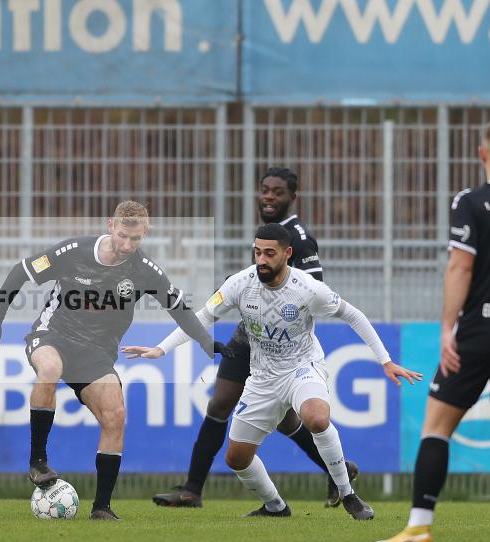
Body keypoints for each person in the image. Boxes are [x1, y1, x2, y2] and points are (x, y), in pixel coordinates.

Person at [125, 223, 422, 519]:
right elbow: (201, 317)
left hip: (301, 368)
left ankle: (348, 495)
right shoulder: (240, 284)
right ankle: (275, 506)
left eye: (269, 253)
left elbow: (353, 315)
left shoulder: (308, 289)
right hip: (262, 377)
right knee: (237, 458)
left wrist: (385, 360)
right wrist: (161, 349)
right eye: (257, 253)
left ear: (287, 253)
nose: (261, 260)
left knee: (317, 418)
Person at [0, 201, 230, 521]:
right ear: (110, 225)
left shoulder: (144, 270)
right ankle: (38, 462)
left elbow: (178, 308)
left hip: (96, 354)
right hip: (53, 335)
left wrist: (207, 343)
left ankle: (101, 507)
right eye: (122, 235)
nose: (127, 245)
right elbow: (21, 271)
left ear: (145, 234)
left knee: (116, 414)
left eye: (135, 239)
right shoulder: (74, 251)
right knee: (50, 369)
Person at [139, 167, 357, 509]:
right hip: (249, 337)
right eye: (265, 190)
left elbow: (313, 295)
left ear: (292, 197)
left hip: (277, 344)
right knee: (223, 403)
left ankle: (337, 471)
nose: (269, 197)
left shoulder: (298, 238)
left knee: (282, 418)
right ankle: (193, 489)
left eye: (277, 192)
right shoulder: (267, 236)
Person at [373, 118, 490, 542]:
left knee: (436, 428)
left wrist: (448, 327)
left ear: (482, 153)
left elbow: (460, 266)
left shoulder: (471, 201)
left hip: (481, 329)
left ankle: (420, 527)